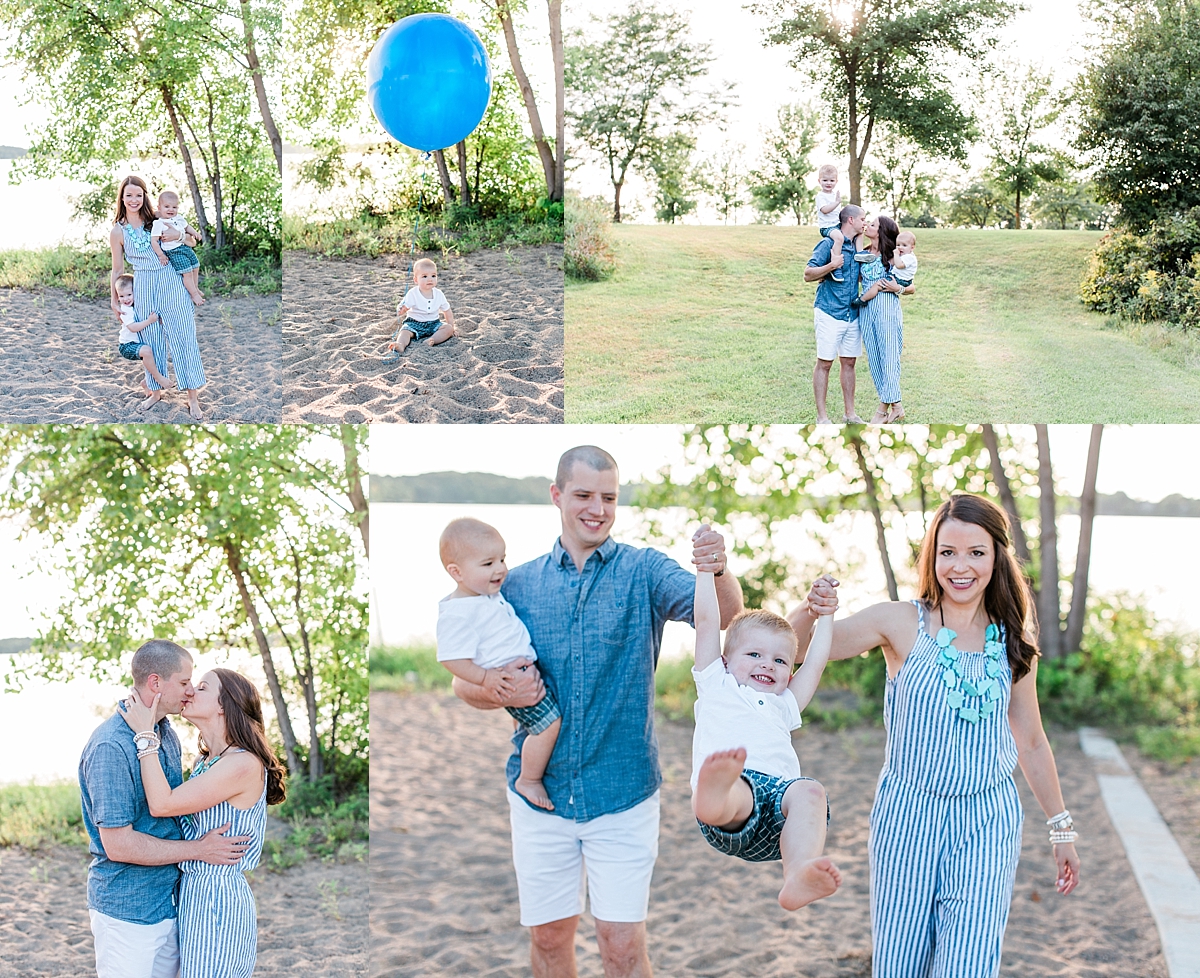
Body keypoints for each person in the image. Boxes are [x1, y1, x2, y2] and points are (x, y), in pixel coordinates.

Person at [450, 445, 744, 978]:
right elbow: (461, 683)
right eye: (583, 495)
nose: (597, 508)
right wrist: (495, 688)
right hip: (539, 797)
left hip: (624, 793)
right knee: (548, 941)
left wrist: (717, 567)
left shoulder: (645, 570)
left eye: (608, 497)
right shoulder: (511, 585)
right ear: (557, 496)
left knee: (622, 947)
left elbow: (724, 615)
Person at [787, 494, 1081, 978]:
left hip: (987, 819)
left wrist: (1061, 828)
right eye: (947, 552)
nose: (960, 566)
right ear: (932, 555)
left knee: (967, 965)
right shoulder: (900, 623)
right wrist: (809, 608)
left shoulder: (1011, 639)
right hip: (908, 815)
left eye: (976, 553)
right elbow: (798, 651)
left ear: (996, 557)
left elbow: (1029, 738)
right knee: (899, 964)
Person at [79, 639, 251, 978]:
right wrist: (199, 850)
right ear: (156, 682)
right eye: (185, 682)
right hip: (128, 908)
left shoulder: (164, 732)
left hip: (169, 904)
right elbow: (118, 844)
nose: (189, 691)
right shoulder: (111, 746)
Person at [690, 554, 842, 911]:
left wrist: (827, 614)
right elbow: (707, 620)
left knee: (811, 791)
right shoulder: (716, 683)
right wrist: (704, 570)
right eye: (754, 654)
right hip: (735, 804)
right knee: (737, 787)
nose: (766, 664)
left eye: (779, 661)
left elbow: (817, 659)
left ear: (790, 672)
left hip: (778, 817)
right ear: (726, 661)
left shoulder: (785, 702)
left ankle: (798, 873)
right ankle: (712, 795)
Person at [119, 666, 287, 978]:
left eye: (203, 687)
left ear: (225, 704)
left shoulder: (242, 764)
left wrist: (145, 735)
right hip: (193, 894)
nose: (190, 692)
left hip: (217, 901)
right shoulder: (207, 761)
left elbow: (162, 803)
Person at [436, 516, 562, 810]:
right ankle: (529, 779)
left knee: (541, 723)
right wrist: (486, 679)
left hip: (520, 674)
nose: (501, 569)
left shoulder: (484, 595)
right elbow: (451, 658)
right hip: (508, 680)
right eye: (488, 563)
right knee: (548, 725)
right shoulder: (458, 612)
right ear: (456, 572)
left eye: (502, 559)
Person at [109, 176, 207, 421]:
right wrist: (114, 299)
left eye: (138, 195)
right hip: (142, 284)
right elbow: (118, 270)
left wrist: (177, 235)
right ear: (122, 197)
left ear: (144, 197)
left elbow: (190, 241)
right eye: (129, 195)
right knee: (151, 338)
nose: (134, 200)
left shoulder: (157, 218)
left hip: (170, 278)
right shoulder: (118, 231)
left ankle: (192, 397)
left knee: (183, 333)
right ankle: (155, 392)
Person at [805, 204, 867, 424]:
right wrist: (831, 265)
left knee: (849, 362)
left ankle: (850, 414)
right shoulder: (829, 243)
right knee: (825, 363)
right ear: (850, 220)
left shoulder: (858, 250)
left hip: (852, 313)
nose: (864, 223)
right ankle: (822, 418)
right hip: (829, 311)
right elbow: (808, 274)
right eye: (862, 219)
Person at [855, 215, 908, 423]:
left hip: (887, 308)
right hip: (867, 310)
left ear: (882, 231)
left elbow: (911, 285)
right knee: (875, 361)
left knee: (889, 359)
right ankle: (897, 407)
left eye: (873, 225)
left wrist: (899, 288)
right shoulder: (864, 252)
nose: (868, 225)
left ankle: (881, 411)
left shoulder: (892, 256)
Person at [114, 273, 171, 397]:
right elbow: (133, 328)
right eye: (121, 296)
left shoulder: (138, 306)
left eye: (129, 294)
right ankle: (158, 378)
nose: (126, 299)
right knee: (147, 351)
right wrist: (149, 321)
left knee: (153, 355)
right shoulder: (125, 310)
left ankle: (146, 383)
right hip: (127, 346)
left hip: (138, 342)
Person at [387, 258, 456, 353]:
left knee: (448, 329)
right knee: (404, 332)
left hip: (434, 323)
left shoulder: (439, 294)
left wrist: (451, 326)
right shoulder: (413, 293)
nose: (430, 279)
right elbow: (405, 306)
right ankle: (401, 345)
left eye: (433, 276)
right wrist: (402, 310)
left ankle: (432, 340)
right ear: (416, 279)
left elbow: (447, 310)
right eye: (424, 276)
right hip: (414, 323)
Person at [150, 191, 204, 306]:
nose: (171, 209)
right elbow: (154, 241)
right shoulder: (159, 223)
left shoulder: (178, 218)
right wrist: (161, 255)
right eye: (167, 206)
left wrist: (195, 233)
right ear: (159, 208)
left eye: (174, 207)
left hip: (185, 247)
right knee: (187, 273)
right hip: (174, 252)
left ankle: (196, 288)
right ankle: (194, 294)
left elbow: (187, 227)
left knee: (196, 266)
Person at [814, 164, 846, 283]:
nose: (828, 183)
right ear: (819, 181)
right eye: (825, 180)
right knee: (839, 238)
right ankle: (835, 267)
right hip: (827, 227)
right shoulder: (820, 196)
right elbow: (825, 210)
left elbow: (837, 213)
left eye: (832, 180)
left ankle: (859, 254)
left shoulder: (834, 195)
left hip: (837, 224)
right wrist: (837, 202)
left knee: (855, 232)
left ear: (836, 181)